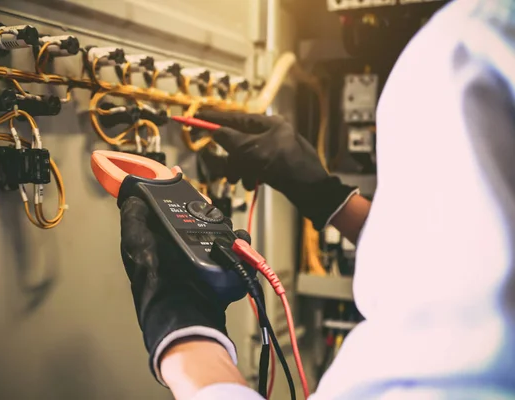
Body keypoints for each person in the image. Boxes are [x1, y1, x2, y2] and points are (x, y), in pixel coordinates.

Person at [118, 0, 515, 398]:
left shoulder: (471, 47)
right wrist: (328, 197)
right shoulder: (478, 40)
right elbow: (453, 256)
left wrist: (185, 334)